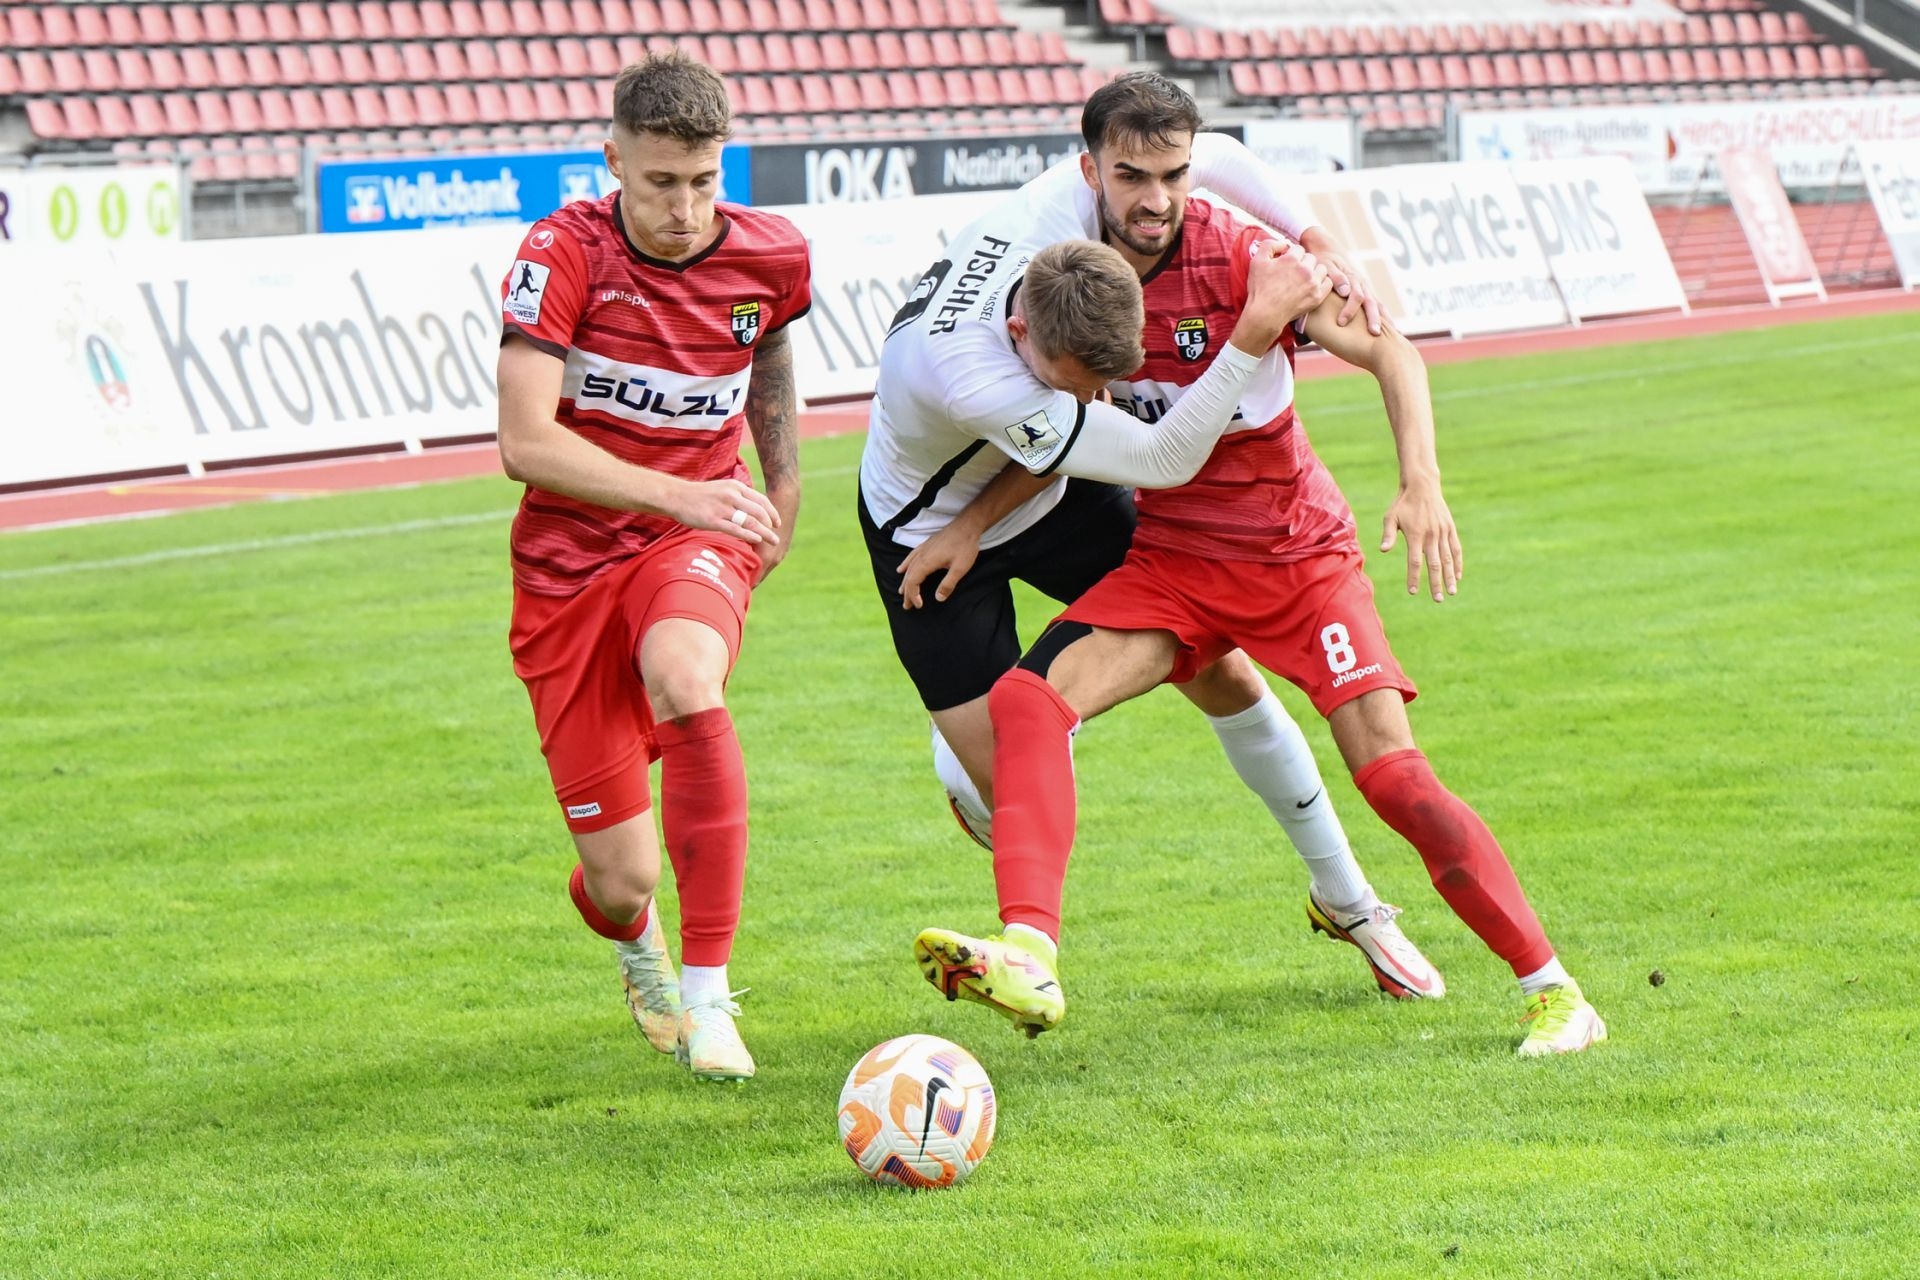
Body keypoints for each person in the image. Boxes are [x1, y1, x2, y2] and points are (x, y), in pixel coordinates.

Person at [913, 77, 1607, 1058]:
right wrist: (973, 523)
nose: (1156, 198)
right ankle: (1029, 951)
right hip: (1175, 559)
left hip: (1296, 557)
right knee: (1030, 701)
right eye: (1133, 175)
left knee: (1393, 776)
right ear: (1093, 174)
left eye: (1174, 174)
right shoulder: (1072, 276)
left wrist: (1421, 483)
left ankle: (1555, 991)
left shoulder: (1249, 258)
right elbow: (1070, 430)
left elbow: (1396, 356)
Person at [860, 76, 1445, 1004]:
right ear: (1021, 333)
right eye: (1082, 379)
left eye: (1161, 175)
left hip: (1055, 491)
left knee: (1223, 672)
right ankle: (975, 799)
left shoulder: (1082, 196)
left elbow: (1218, 157)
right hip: (922, 530)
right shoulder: (974, 373)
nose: (1153, 193)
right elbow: (1161, 456)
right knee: (1012, 787)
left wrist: (1321, 242)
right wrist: (1251, 335)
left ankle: (1351, 900)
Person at [495, 52, 809, 1082]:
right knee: (621, 881)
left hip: (693, 541)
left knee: (685, 672)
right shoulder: (561, 254)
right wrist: (679, 493)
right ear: (613, 160)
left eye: (703, 182)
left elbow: (769, 351)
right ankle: (639, 944)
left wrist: (782, 487)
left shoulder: (773, 253)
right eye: (660, 182)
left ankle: (711, 997)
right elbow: (523, 443)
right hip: (567, 569)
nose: (684, 209)